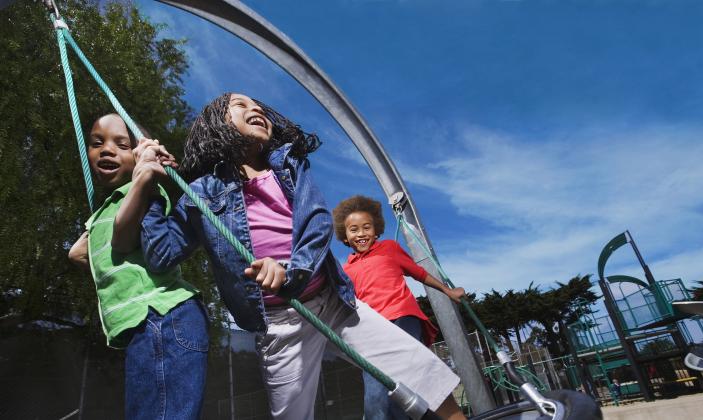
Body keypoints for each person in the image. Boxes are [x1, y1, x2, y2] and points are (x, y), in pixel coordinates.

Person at [134, 93, 466, 420]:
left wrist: (291, 272)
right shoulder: (202, 193)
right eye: (240, 105)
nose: (255, 109)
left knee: (416, 365)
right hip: (280, 324)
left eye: (259, 107)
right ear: (215, 124)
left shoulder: (289, 164)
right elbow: (162, 254)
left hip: (330, 300)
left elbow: (316, 222)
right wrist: (149, 184)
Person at [68, 113, 208, 419]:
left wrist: (145, 174)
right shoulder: (111, 205)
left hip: (163, 316)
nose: (106, 150)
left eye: (121, 144)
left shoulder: (145, 192)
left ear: (140, 154)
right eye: (97, 143)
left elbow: (120, 241)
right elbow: (79, 254)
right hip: (145, 325)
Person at [332, 195, 466, 420]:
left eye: (367, 227)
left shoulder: (389, 249)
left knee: (411, 376)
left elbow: (419, 273)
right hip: (374, 331)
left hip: (402, 317)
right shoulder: (346, 269)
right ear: (345, 237)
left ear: (376, 231)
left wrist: (448, 290)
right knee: (376, 397)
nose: (361, 234)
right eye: (354, 230)